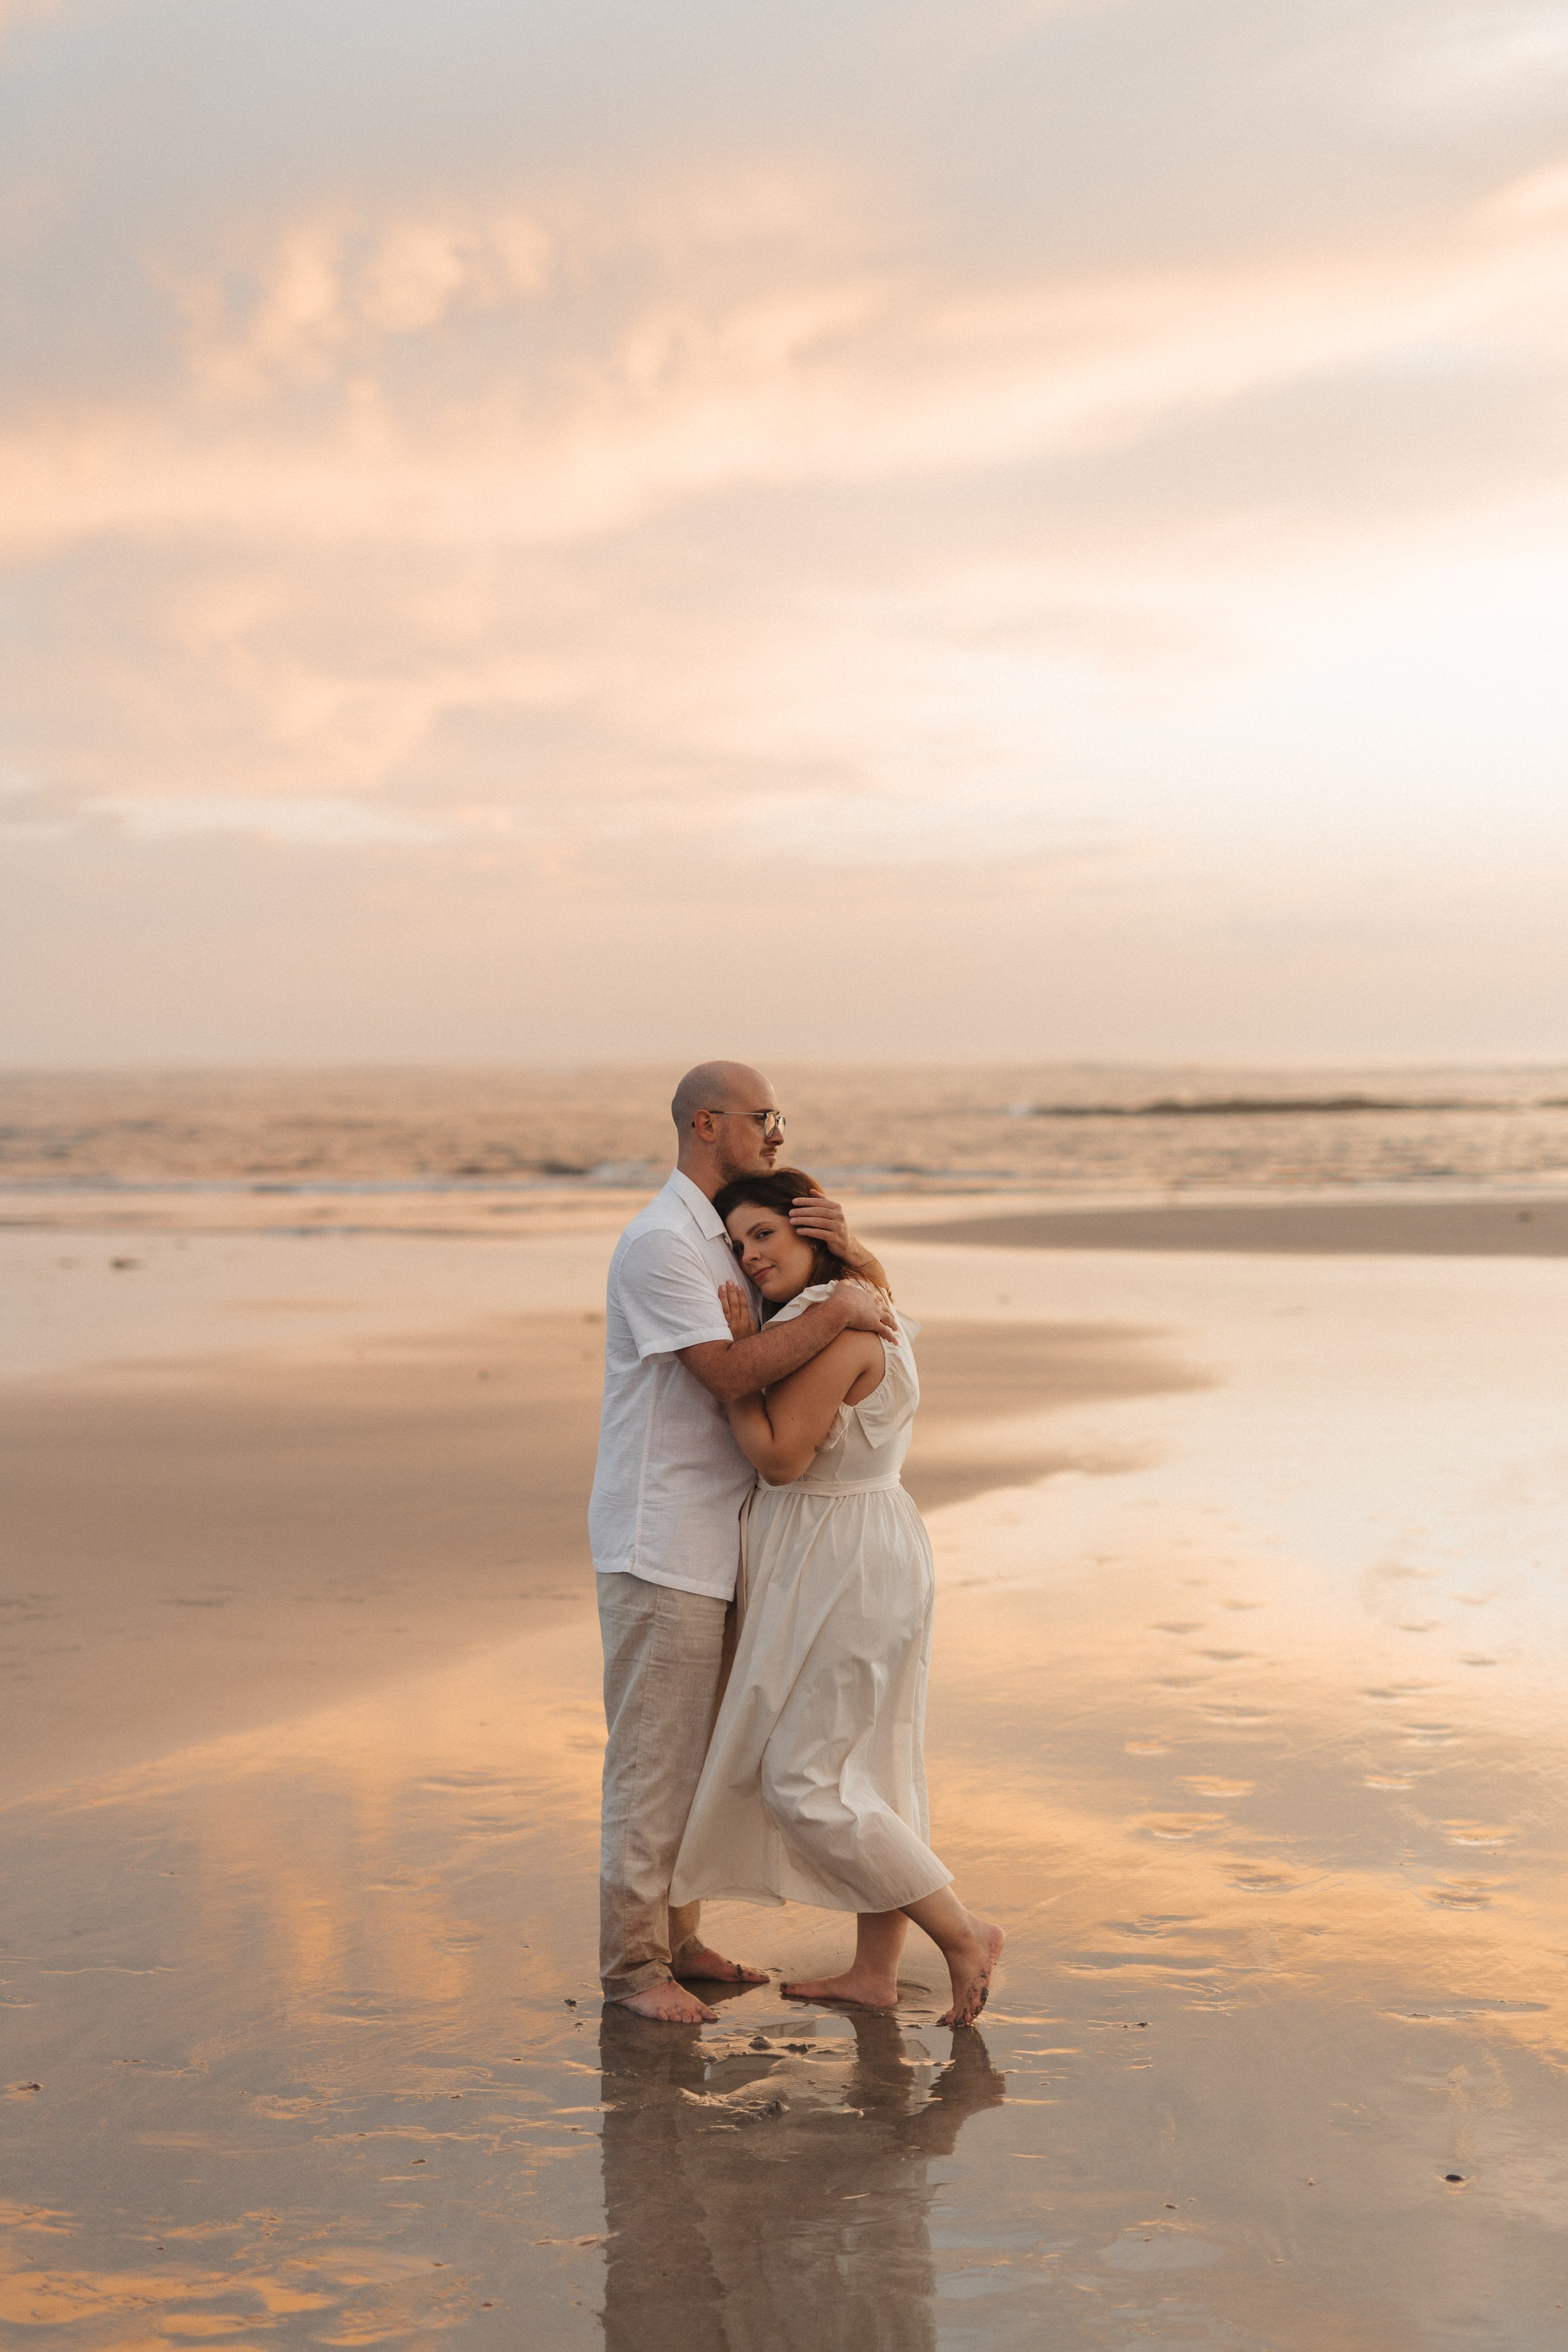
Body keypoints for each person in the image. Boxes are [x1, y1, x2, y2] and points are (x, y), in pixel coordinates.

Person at [589, 1063, 899, 2026]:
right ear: (706, 1122)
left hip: (729, 1544)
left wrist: (845, 1262)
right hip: (664, 1540)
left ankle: (678, 1942)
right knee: (653, 1761)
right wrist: (840, 1312)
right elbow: (726, 1372)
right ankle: (634, 1969)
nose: (776, 1132)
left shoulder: (731, 1235)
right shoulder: (658, 1246)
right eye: (764, 1117)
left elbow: (836, 1329)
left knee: (699, 1756)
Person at [671, 1168, 1003, 2028]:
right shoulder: (857, 1302)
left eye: (765, 1235)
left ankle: (963, 1933)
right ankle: (874, 1973)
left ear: (811, 1235)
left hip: (841, 1557)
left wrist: (737, 1374)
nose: (749, 1256)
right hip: (854, 1545)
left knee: (803, 1777)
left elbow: (780, 1458)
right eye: (739, 1243)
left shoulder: (841, 1329)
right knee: (874, 1763)